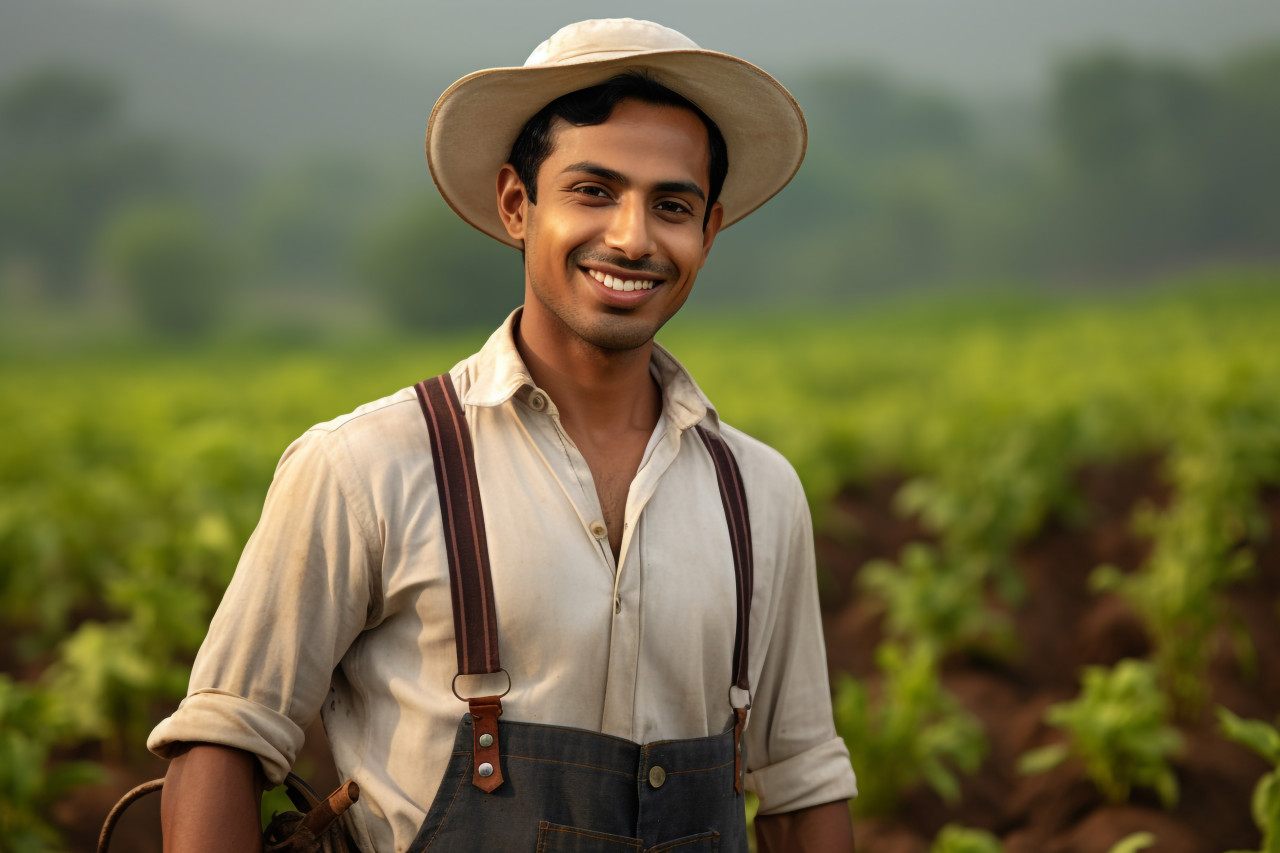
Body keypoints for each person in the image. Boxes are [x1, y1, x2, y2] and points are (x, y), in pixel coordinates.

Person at [149, 18, 857, 852]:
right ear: (518, 205)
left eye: (672, 205)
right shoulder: (367, 466)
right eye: (593, 191)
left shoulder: (760, 494)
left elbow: (803, 783)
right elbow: (223, 741)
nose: (631, 236)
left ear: (710, 230)